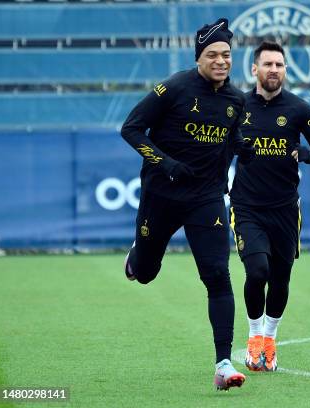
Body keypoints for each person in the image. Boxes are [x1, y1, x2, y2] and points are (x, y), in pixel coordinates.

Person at [120, 18, 253, 391]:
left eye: (226, 54)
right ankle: (136, 256)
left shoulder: (236, 100)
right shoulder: (175, 87)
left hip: (206, 198)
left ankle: (224, 364)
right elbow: (130, 128)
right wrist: (166, 163)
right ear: (199, 58)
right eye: (213, 55)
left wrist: (241, 148)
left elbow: (231, 136)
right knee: (145, 273)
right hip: (161, 195)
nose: (221, 61)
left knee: (218, 275)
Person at [229, 41, 310, 372]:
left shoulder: (300, 109)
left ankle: (270, 341)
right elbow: (217, 142)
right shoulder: (237, 105)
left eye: (280, 65)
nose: (274, 69)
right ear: (254, 69)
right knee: (257, 270)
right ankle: (254, 337)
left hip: (286, 209)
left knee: (280, 276)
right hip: (246, 207)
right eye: (268, 64)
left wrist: (305, 154)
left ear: (285, 70)